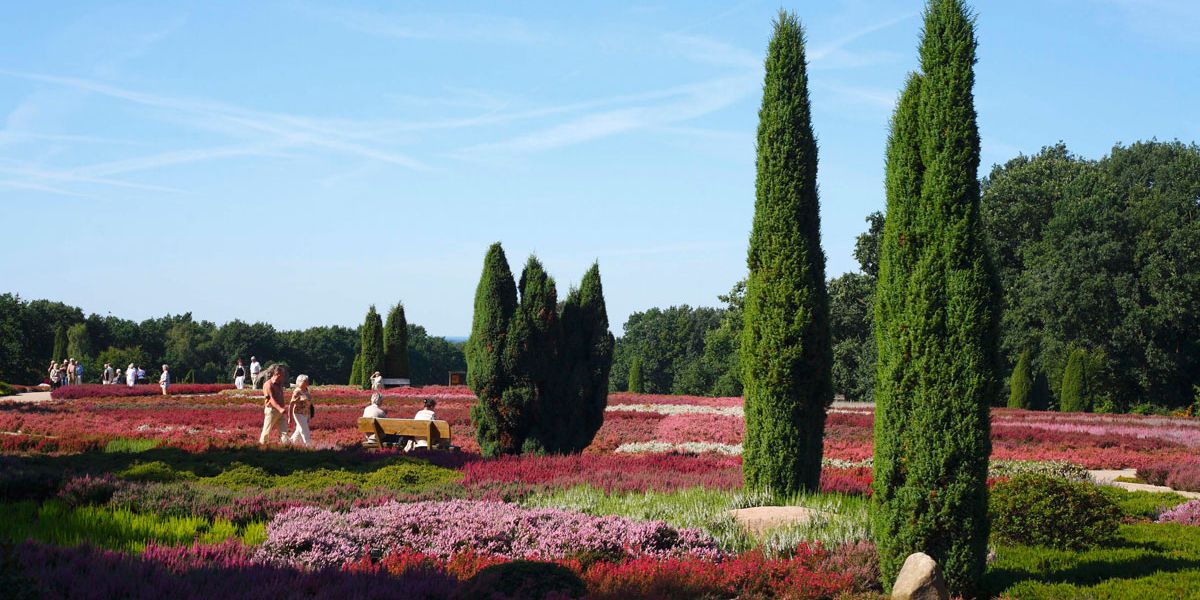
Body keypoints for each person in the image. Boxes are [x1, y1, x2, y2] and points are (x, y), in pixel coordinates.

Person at [258, 365, 289, 445]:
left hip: (280, 411)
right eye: (283, 375)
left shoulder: (280, 383)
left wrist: (282, 408)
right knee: (266, 430)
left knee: (284, 431)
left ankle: (286, 446)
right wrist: (280, 409)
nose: (284, 377)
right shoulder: (268, 385)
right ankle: (262, 446)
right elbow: (271, 399)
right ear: (278, 374)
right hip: (272, 411)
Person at [287, 374, 313, 446]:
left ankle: (290, 442)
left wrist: (309, 414)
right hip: (298, 413)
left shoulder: (306, 390)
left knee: (298, 430)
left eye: (307, 381)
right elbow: (291, 404)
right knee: (304, 430)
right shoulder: (297, 391)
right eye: (305, 381)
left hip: (305, 413)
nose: (307, 382)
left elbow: (309, 403)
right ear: (300, 382)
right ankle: (308, 445)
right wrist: (290, 417)